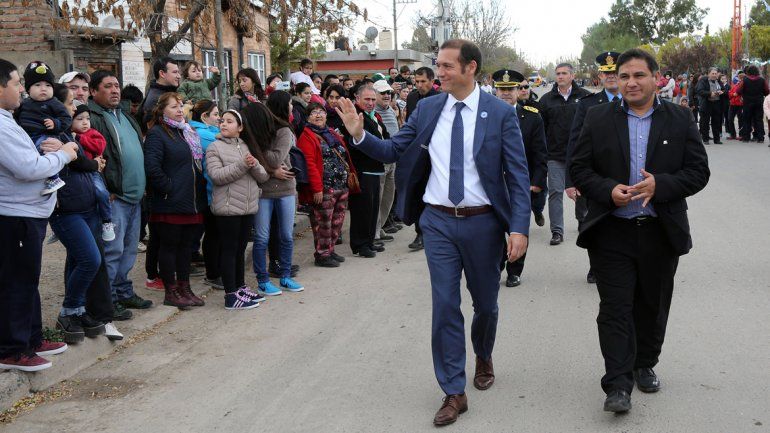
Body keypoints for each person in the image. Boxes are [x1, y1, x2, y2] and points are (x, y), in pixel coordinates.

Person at [335, 39, 530, 426]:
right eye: (437, 66)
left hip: (484, 223)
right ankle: (453, 390)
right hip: (438, 222)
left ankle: (484, 352)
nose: (437, 73)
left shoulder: (499, 113)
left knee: (486, 305)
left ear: (470, 68)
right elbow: (393, 151)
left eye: (445, 66)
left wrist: (519, 228)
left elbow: (518, 175)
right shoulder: (427, 108)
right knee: (444, 305)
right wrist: (359, 134)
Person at [569, 48, 710, 413]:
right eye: (625, 76)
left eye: (639, 75)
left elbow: (698, 172)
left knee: (652, 305)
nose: (631, 82)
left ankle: (644, 363)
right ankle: (617, 383)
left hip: (660, 230)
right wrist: (606, 191)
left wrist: (659, 186)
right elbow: (580, 168)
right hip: (611, 231)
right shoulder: (598, 117)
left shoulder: (680, 118)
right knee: (614, 309)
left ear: (655, 78)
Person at [0, 58, 78, 371]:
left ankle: (31, 337)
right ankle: (12, 349)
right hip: (14, 215)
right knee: (16, 282)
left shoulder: (7, 118)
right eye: (17, 83)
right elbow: (28, 168)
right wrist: (62, 155)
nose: (22, 89)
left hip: (28, 214)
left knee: (27, 279)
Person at [88, 70, 152, 317]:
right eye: (108, 86)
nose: (115, 90)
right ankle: (109, 300)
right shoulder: (94, 118)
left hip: (135, 195)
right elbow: (94, 157)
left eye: (116, 85)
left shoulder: (126, 116)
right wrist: (105, 189)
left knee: (128, 250)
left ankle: (123, 291)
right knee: (112, 251)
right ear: (94, 91)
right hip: (114, 197)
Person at [144, 92, 208, 309]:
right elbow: (152, 168)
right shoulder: (157, 134)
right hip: (170, 201)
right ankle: (171, 290)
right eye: (174, 107)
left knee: (186, 247)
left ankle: (185, 287)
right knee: (170, 246)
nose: (180, 110)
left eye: (181, 106)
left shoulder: (186, 132)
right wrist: (170, 188)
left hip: (191, 201)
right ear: (162, 110)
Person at [566, 51, 623, 284]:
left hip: (626, 175)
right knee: (594, 222)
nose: (611, 77)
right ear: (599, 75)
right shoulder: (588, 105)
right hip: (595, 176)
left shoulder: (636, 102)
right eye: (606, 72)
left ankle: (622, 263)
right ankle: (596, 265)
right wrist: (572, 181)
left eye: (614, 72)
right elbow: (575, 142)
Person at [206, 109, 269, 309]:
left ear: (240, 128)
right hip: (227, 208)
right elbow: (217, 176)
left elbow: (263, 176)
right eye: (222, 121)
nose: (224, 124)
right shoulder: (214, 147)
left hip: (247, 207)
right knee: (229, 250)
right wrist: (243, 165)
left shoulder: (244, 145)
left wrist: (254, 164)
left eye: (230, 121)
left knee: (240, 249)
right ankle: (230, 294)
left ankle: (240, 287)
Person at [240, 102, 304, 295]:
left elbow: (276, 159)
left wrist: (259, 154)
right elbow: (263, 163)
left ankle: (285, 276)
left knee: (286, 235)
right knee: (261, 238)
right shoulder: (248, 139)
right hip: (263, 191)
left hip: (286, 190)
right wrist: (272, 170)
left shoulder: (283, 131)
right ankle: (263, 280)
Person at [491, 69, 547, 288]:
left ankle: (514, 270)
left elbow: (541, 153)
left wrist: (537, 182)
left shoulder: (532, 116)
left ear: (518, 90)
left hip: (520, 184)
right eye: (502, 89)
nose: (506, 93)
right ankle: (496, 266)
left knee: (518, 227)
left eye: (510, 89)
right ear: (495, 90)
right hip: (492, 184)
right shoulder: (483, 115)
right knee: (493, 230)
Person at [539, 62, 591, 246]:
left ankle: (582, 220)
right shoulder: (546, 100)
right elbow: (541, 130)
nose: (560, 76)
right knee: (555, 193)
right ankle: (557, 231)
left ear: (572, 76)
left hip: (580, 155)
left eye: (564, 73)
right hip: (555, 155)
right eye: (558, 73)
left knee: (583, 191)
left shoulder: (585, 97)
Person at [297, 101, 354, 267]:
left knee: (337, 221)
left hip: (341, 185)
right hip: (324, 188)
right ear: (308, 117)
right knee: (323, 223)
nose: (318, 115)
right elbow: (310, 165)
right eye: (314, 112)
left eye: (321, 112)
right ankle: (322, 254)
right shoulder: (307, 136)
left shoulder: (330, 132)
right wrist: (316, 189)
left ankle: (330, 249)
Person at [339, 84, 389, 258]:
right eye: (367, 99)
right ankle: (360, 245)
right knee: (362, 209)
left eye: (373, 99)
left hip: (376, 168)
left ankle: (369, 241)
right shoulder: (354, 117)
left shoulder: (375, 116)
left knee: (373, 209)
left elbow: (385, 137)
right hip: (362, 169)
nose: (370, 103)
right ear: (358, 99)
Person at [15, 61, 71, 195]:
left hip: (45, 135)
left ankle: (54, 178)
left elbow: (66, 119)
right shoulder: (24, 104)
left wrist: (55, 124)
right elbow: (15, 118)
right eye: (37, 85)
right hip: (27, 137)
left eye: (47, 85)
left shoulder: (54, 103)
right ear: (28, 89)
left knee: (46, 150)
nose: (43, 88)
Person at [404, 66, 440, 251]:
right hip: (417, 154)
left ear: (432, 81)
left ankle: (435, 231)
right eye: (416, 82)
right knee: (418, 193)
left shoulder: (440, 99)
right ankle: (420, 232)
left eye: (423, 81)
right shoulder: (411, 98)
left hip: (436, 155)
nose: (419, 85)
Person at [190, 100, 223, 290]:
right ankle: (213, 273)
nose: (219, 119)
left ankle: (215, 271)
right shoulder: (203, 135)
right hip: (209, 191)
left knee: (213, 233)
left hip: (211, 190)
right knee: (213, 234)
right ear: (204, 116)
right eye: (216, 115)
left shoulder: (208, 132)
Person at [71, 104, 116, 242]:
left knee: (101, 192)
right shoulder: (67, 134)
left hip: (92, 172)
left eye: (87, 118)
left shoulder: (92, 133)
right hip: (77, 174)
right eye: (79, 119)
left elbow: (99, 146)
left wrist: (79, 138)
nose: (85, 122)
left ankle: (107, 221)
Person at [372, 80, 399, 244]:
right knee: (379, 196)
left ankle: (379, 227)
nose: (387, 95)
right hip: (380, 160)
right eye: (382, 93)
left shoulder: (391, 110)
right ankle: (373, 231)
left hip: (393, 159)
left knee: (388, 197)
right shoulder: (373, 112)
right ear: (374, 95)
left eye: (388, 92)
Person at [138, 57, 181, 130]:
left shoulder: (165, 93)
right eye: (174, 72)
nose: (179, 76)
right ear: (162, 73)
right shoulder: (156, 99)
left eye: (178, 72)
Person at [735, 65, 769, 143]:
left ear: (748, 71)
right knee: (759, 120)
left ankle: (746, 137)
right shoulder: (762, 80)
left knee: (747, 119)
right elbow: (767, 91)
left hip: (747, 102)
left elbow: (738, 90)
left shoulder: (745, 80)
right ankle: (760, 138)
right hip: (759, 102)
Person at [695, 67, 725, 144]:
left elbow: (724, 89)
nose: (714, 75)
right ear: (709, 74)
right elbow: (699, 90)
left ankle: (717, 139)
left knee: (716, 122)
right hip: (706, 103)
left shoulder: (718, 80)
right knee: (705, 122)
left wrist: (722, 92)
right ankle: (705, 139)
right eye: (713, 73)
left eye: (715, 73)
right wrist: (709, 93)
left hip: (717, 103)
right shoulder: (703, 80)